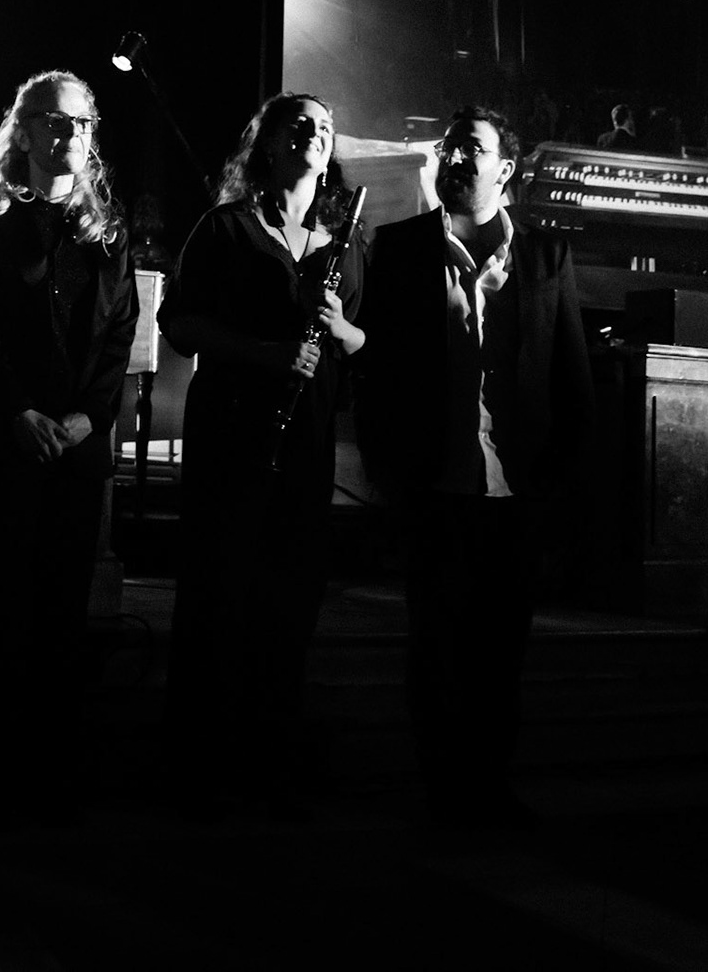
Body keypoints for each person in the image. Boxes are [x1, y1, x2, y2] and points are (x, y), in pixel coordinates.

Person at [354, 105, 593, 832]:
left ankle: (489, 786)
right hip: (434, 486)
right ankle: (444, 793)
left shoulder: (547, 259)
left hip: (513, 495)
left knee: (499, 655)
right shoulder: (396, 249)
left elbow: (572, 382)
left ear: (506, 170)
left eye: (472, 149)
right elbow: (379, 380)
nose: (455, 159)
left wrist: (553, 496)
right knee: (435, 652)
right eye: (448, 149)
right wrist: (391, 478)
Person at [0, 69, 138, 821]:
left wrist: (87, 418)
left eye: (82, 123)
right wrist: (17, 410)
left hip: (75, 447)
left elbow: (119, 332)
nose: (70, 135)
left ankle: (46, 773)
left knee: (59, 606)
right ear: (22, 129)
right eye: (55, 121)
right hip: (1, 439)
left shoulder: (104, 229)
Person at [159, 92, 366, 818]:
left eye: (325, 128)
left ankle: (268, 757)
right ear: (269, 145)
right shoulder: (226, 228)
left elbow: (366, 347)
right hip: (234, 434)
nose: (315, 134)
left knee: (288, 601)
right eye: (298, 124)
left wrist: (343, 330)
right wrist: (267, 352)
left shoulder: (344, 243)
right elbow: (180, 323)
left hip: (304, 445)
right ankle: (199, 764)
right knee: (219, 595)